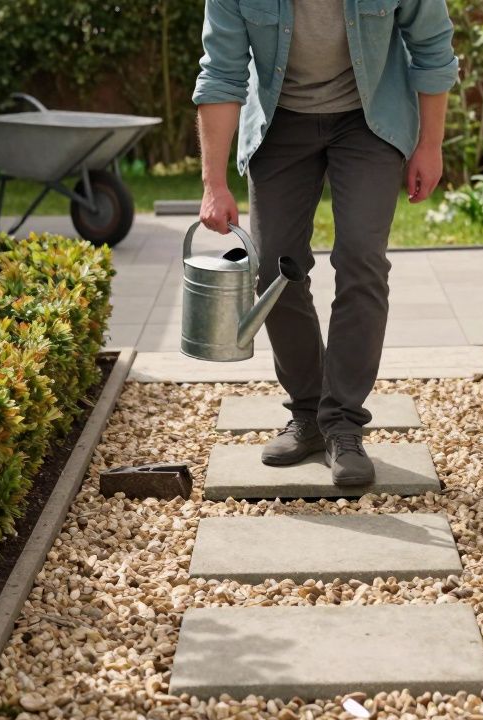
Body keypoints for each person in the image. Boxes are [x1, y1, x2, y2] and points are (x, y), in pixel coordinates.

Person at [193, 0, 456, 486]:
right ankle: (309, 414)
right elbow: (221, 72)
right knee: (275, 269)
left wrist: (430, 145)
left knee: (361, 260)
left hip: (370, 118)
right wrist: (214, 182)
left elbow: (433, 48)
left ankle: (344, 424)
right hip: (280, 121)